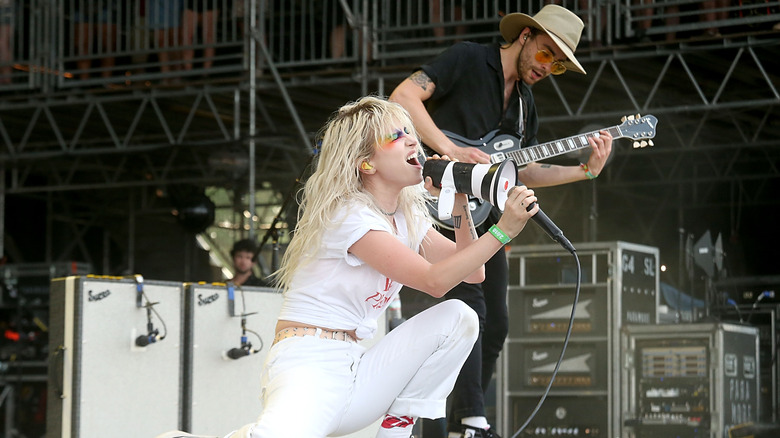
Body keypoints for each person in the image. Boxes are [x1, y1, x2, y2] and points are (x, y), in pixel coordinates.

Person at [157, 95, 540, 438]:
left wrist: (458, 201)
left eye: (411, 132)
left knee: (461, 317)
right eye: (397, 136)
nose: (413, 140)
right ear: (366, 163)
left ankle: (397, 428)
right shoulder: (349, 215)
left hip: (358, 367)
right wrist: (503, 230)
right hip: (309, 363)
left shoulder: (409, 216)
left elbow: (471, 274)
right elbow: (434, 281)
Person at [389, 5, 613, 438]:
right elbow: (402, 97)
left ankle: (460, 422)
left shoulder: (526, 106)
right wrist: (449, 151)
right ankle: (472, 419)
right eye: (547, 53)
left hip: (482, 211)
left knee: (498, 326)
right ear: (526, 35)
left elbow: (523, 171)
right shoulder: (470, 58)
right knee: (467, 305)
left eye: (559, 64)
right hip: (435, 202)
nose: (549, 67)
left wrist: (584, 171)